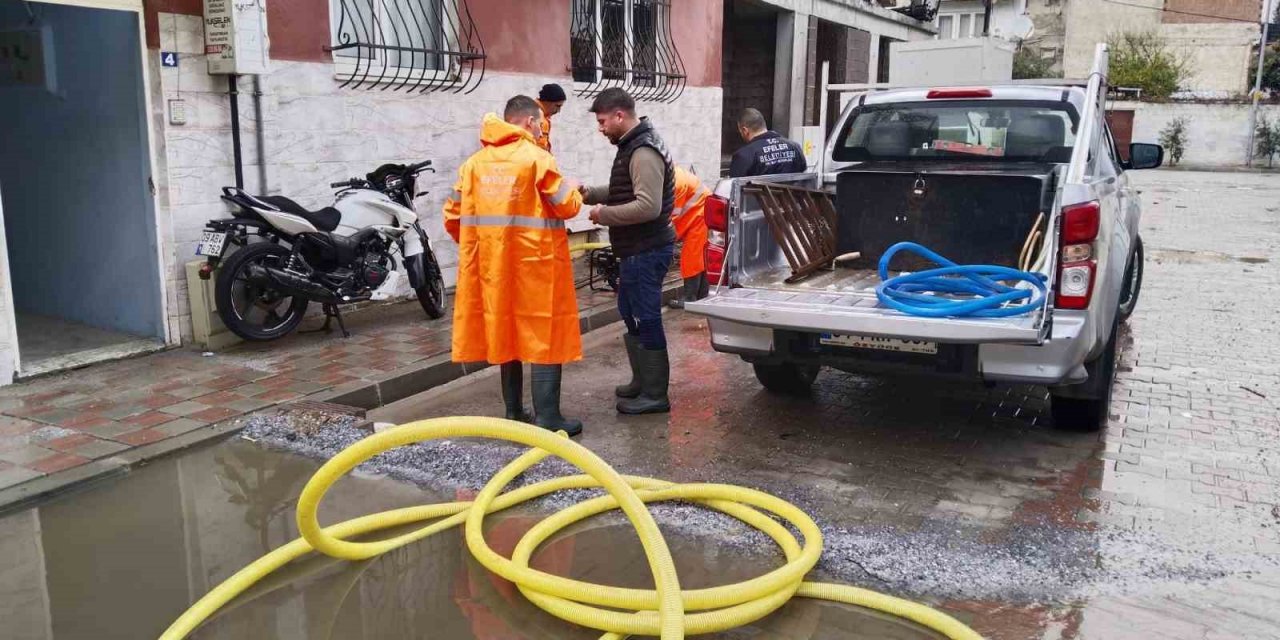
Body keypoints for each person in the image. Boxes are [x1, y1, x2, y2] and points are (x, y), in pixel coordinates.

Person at [443, 95, 585, 436]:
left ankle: (513, 412)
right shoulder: (537, 160)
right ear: (527, 122)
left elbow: (452, 216)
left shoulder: (473, 165)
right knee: (543, 334)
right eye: (540, 124)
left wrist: (483, 249)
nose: (541, 129)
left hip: (492, 269)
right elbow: (568, 205)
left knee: (504, 332)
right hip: (536, 267)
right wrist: (577, 191)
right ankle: (548, 418)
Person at [580, 87, 675, 415]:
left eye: (603, 120)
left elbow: (648, 206)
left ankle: (655, 394)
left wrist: (602, 214)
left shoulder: (643, 151)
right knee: (629, 311)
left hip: (647, 250)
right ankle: (641, 382)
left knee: (647, 318)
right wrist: (591, 193)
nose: (601, 127)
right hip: (635, 250)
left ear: (620, 115)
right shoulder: (632, 145)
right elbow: (626, 189)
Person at [667, 166, 710, 309]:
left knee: (692, 256)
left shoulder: (675, 184)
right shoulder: (672, 174)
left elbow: (670, 217)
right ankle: (702, 294)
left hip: (701, 213)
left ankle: (690, 297)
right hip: (701, 211)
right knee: (698, 256)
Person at [729, 108, 808, 178]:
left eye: (740, 131)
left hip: (760, 194)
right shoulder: (795, 147)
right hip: (792, 194)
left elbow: (734, 188)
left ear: (745, 130)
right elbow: (804, 176)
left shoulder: (743, 155)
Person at [535, 83, 567, 154]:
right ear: (547, 101)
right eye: (558, 106)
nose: (558, 111)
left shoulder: (543, 116)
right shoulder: (534, 115)